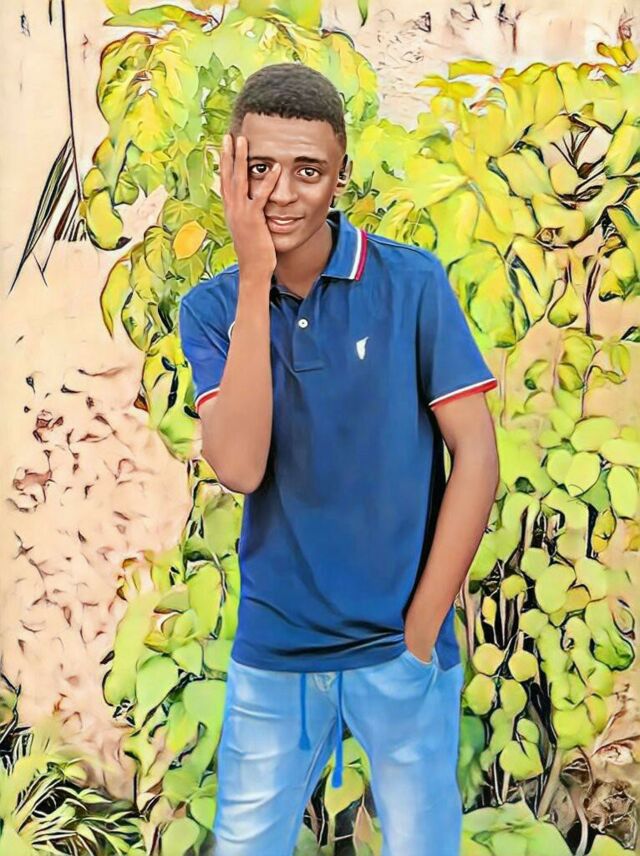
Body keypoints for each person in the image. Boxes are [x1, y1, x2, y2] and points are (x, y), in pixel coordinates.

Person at [178, 61, 500, 856]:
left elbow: (477, 454)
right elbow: (241, 466)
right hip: (276, 654)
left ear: (341, 175)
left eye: (308, 171)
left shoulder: (411, 284)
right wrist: (255, 277)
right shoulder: (211, 308)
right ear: (230, 169)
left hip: (399, 654)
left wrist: (420, 632)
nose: (281, 194)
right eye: (260, 169)